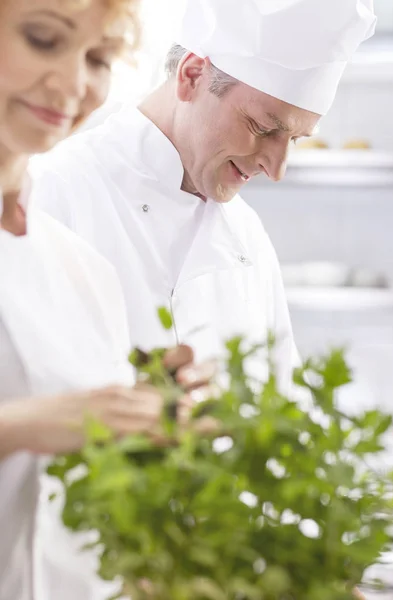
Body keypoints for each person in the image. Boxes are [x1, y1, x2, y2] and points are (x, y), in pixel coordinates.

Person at [32, 0, 376, 387]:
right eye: (263, 128)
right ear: (192, 75)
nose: (276, 169)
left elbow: (284, 401)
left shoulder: (246, 234)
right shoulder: (51, 193)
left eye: (294, 139)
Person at [0, 1, 214, 599]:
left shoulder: (80, 269)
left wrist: (140, 413)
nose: (73, 84)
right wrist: (30, 424)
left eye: (97, 59)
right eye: (43, 40)